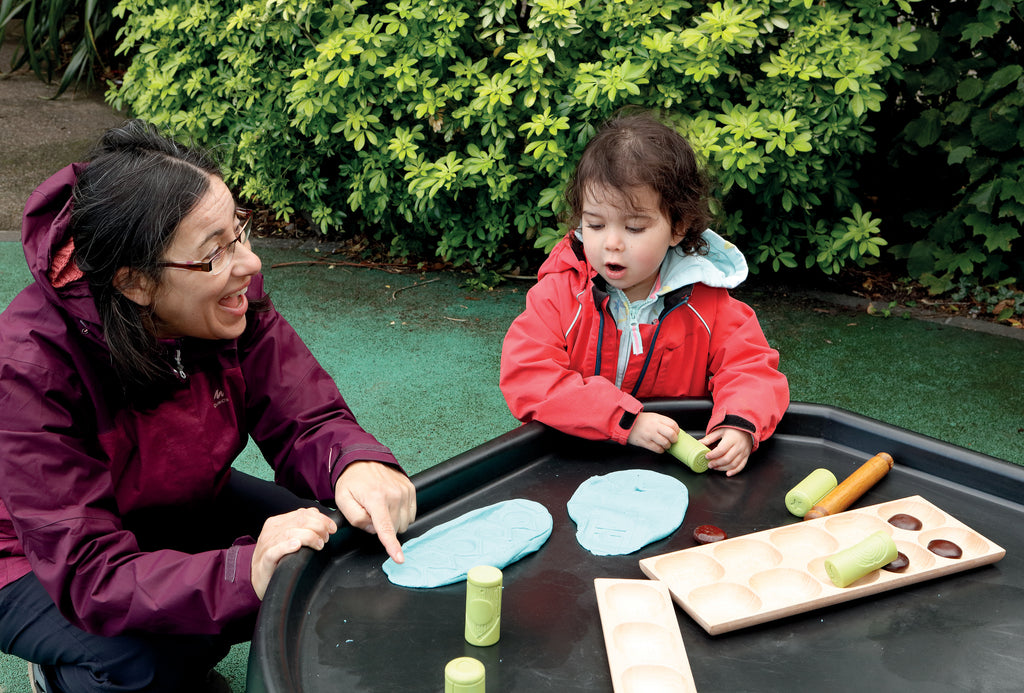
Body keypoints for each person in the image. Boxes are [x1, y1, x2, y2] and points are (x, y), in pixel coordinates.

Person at [0, 119, 417, 692]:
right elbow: (88, 572)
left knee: (337, 541)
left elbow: (306, 415)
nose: (248, 264)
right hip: (31, 552)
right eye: (214, 254)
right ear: (136, 283)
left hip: (169, 499)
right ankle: (63, 673)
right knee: (147, 662)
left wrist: (355, 462)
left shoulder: (227, 300)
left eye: (239, 232)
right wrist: (246, 569)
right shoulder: (29, 366)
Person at [500, 112, 790, 476]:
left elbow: (750, 368)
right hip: (568, 458)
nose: (612, 244)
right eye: (595, 224)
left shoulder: (709, 305)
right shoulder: (560, 294)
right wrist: (624, 420)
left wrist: (740, 422)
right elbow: (528, 375)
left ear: (677, 228)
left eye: (634, 227)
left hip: (668, 469)